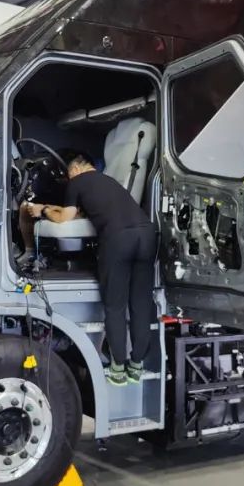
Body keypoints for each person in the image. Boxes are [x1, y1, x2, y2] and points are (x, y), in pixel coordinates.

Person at [23, 154, 157, 386]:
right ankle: (137, 365)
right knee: (141, 303)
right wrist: (48, 207)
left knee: (115, 305)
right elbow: (80, 212)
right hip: (146, 236)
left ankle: (118, 369)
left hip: (118, 240)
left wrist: (41, 211)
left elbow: (64, 218)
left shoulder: (76, 182)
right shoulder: (109, 182)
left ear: (75, 169)